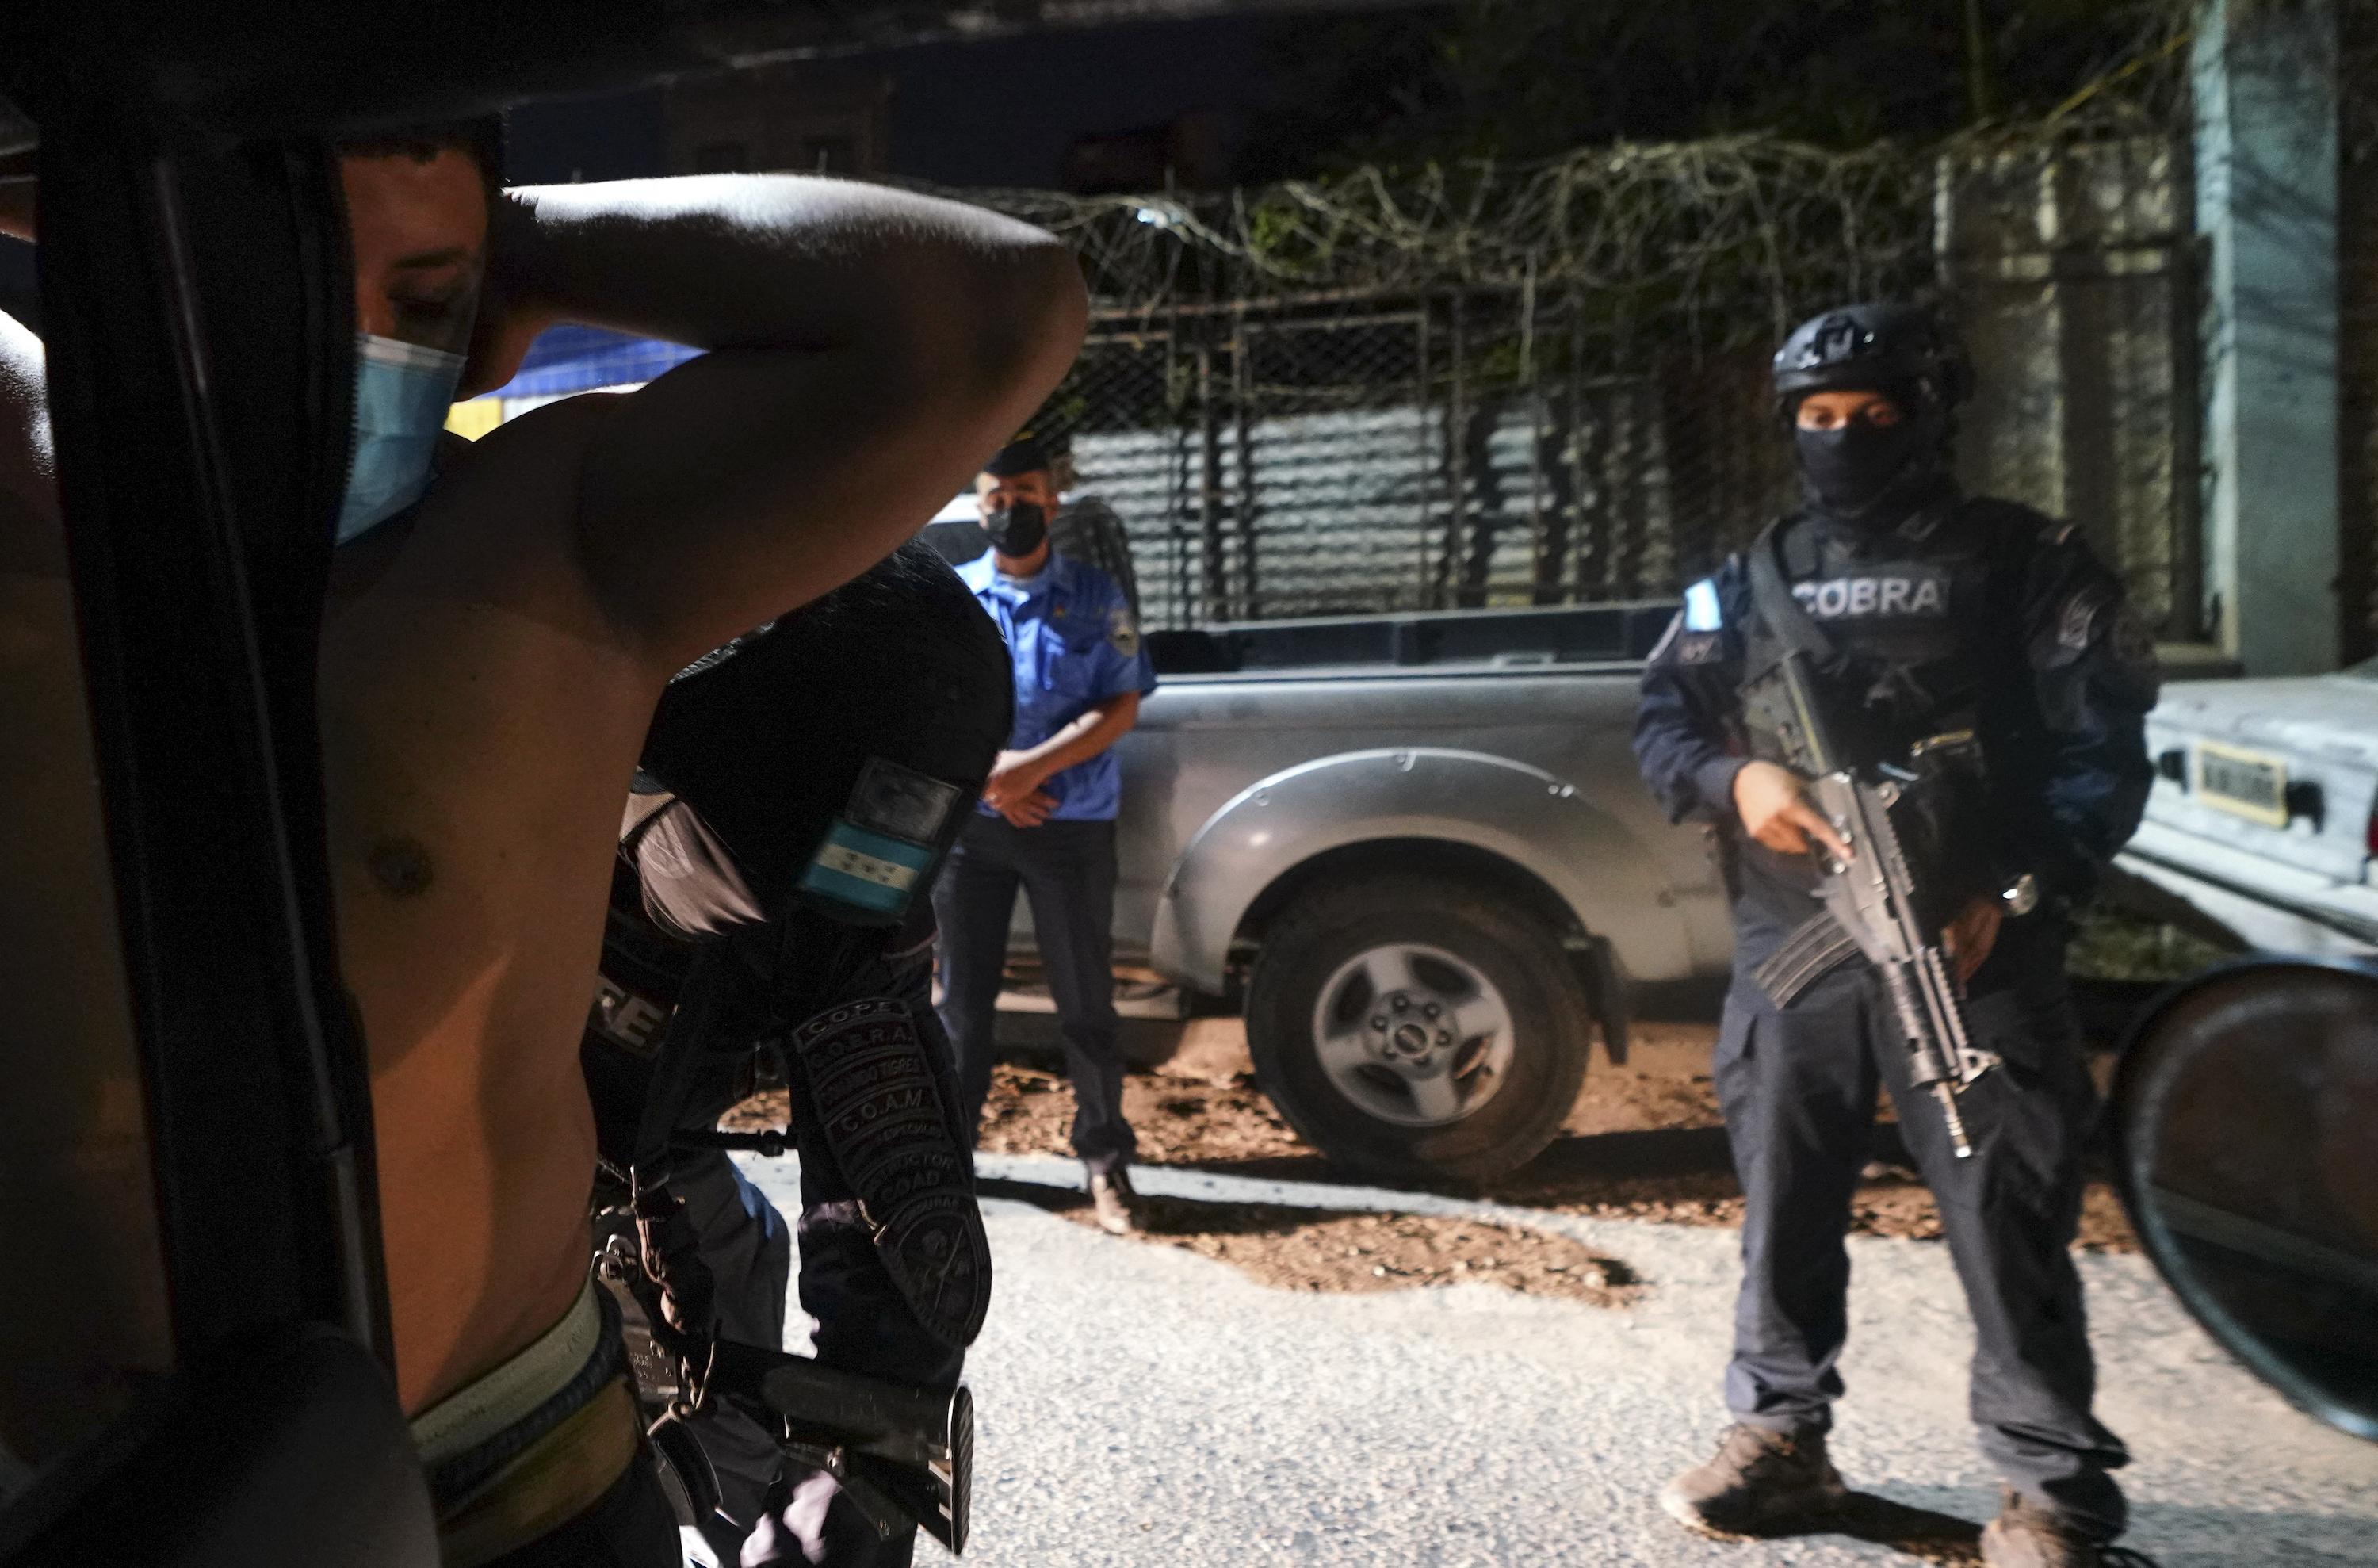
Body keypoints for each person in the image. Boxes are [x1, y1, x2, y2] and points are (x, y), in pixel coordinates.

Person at [0, 125, 1084, 1563]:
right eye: (310, 270)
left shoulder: (547, 546)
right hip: (103, 1488)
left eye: (435, 298)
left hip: (531, 1458)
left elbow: (988, 314)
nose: (366, 338)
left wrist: (871, 1448)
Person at [1632, 303, 2158, 1568]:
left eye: (1875, 414)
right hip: (1794, 944)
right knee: (1784, 1204)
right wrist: (1734, 783)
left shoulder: (2032, 564)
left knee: (2005, 1205)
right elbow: (1664, 717)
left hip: (1973, 947)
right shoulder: (1747, 577)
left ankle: (2051, 1490)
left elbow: (2105, 758)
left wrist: (2012, 887)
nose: (1844, 439)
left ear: (1933, 414)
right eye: (1817, 418)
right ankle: (1779, 1435)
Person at [581, 541, 1011, 1568]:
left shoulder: (854, 895)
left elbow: (902, 1206)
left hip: (647, 1094)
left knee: (726, 1253)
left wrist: (861, 1476)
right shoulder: (497, 790)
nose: (809, 918)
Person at [935, 433, 1156, 1235]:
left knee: (1087, 1006)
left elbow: (1121, 703)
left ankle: (1105, 1162)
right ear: (979, 502)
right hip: (976, 832)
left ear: (1053, 500)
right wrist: (998, 775)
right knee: (960, 1007)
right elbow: (938, 711)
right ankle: (949, 1167)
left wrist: (1029, 771)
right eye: (995, 494)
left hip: (1069, 829)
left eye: (1024, 492)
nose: (1010, 507)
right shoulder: (955, 596)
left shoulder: (1097, 598)